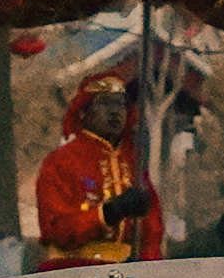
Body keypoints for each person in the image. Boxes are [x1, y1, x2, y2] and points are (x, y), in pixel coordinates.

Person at [32, 64, 161, 266]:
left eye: (120, 104)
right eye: (105, 104)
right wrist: (109, 213)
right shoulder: (60, 162)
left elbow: (153, 230)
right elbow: (56, 230)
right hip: (75, 271)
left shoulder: (134, 162)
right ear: (83, 113)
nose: (114, 112)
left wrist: (148, 266)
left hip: (130, 275)